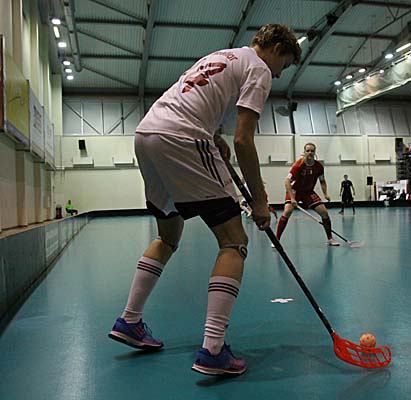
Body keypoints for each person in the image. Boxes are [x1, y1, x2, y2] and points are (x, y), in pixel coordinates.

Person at [107, 24, 301, 376]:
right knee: (234, 241)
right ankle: (213, 350)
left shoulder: (222, 56)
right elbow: (244, 140)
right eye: (283, 64)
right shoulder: (258, 68)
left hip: (147, 134)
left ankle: (129, 320)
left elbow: (193, 99)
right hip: (182, 137)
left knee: (168, 236)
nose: (278, 73)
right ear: (275, 47)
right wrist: (259, 201)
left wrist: (213, 135)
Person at [274, 143, 340, 246]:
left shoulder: (319, 166)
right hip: (295, 191)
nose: (310, 153)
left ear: (315, 152)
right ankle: (276, 240)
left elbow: (322, 181)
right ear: (304, 152)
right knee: (287, 211)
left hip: (308, 192)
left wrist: (325, 194)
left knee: (324, 212)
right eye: (308, 150)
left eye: (312, 151)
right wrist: (292, 198)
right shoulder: (298, 165)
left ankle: (330, 239)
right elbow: (287, 181)